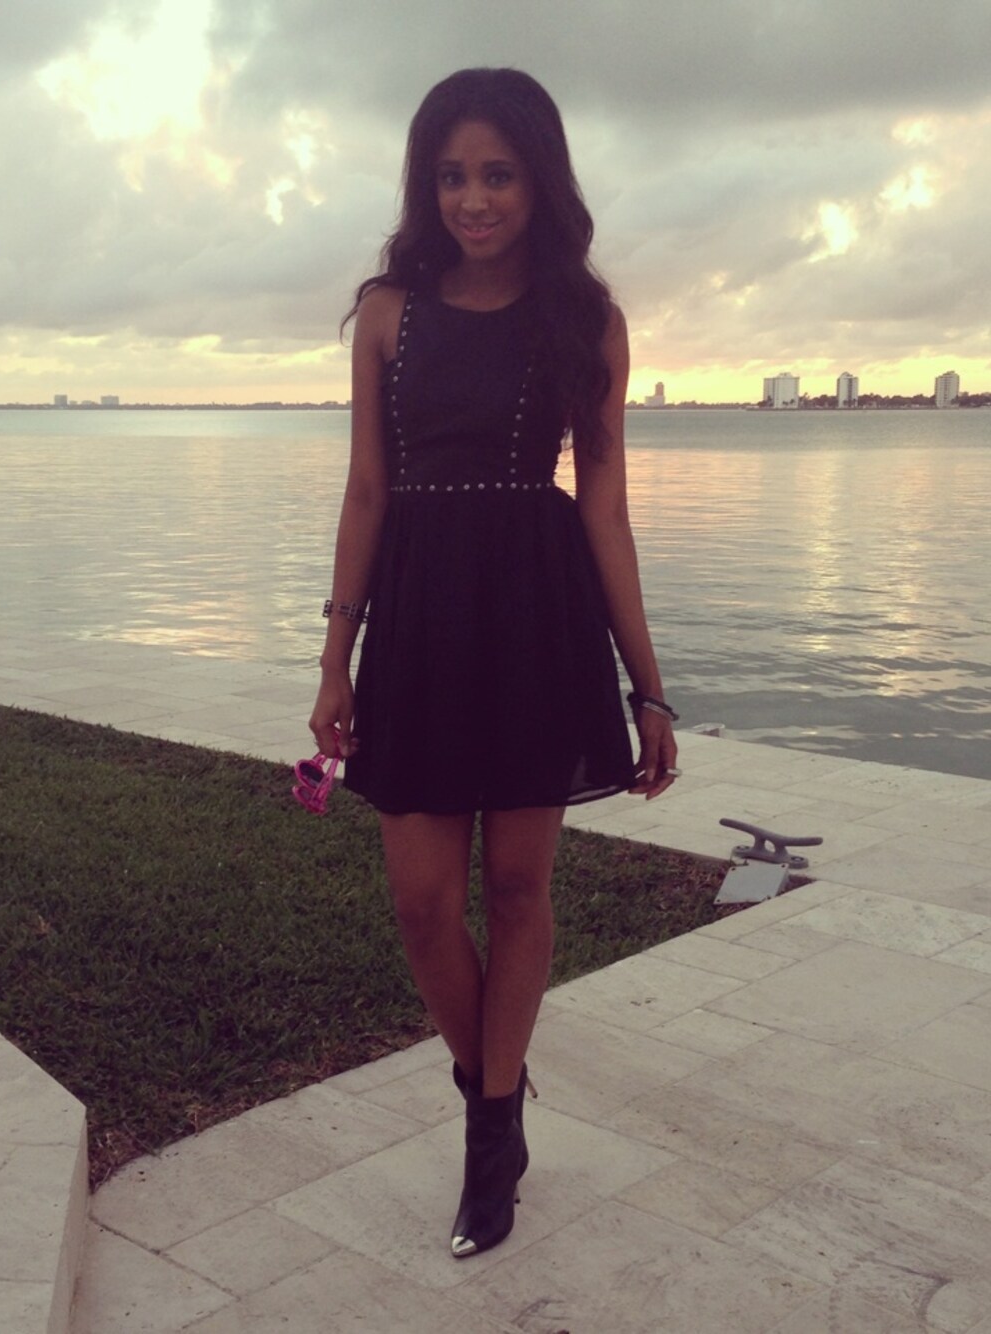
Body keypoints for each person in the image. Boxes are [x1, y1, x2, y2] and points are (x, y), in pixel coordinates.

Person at [308, 66, 678, 1259]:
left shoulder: (586, 320)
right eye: (452, 176)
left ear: (539, 182)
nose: (472, 199)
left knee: (518, 889)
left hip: (535, 618)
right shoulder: (388, 311)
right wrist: (335, 658)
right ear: (427, 185)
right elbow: (366, 491)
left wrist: (648, 686)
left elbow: (605, 509)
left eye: (498, 175)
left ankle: (487, 1144)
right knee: (422, 902)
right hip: (418, 620)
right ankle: (497, 1099)